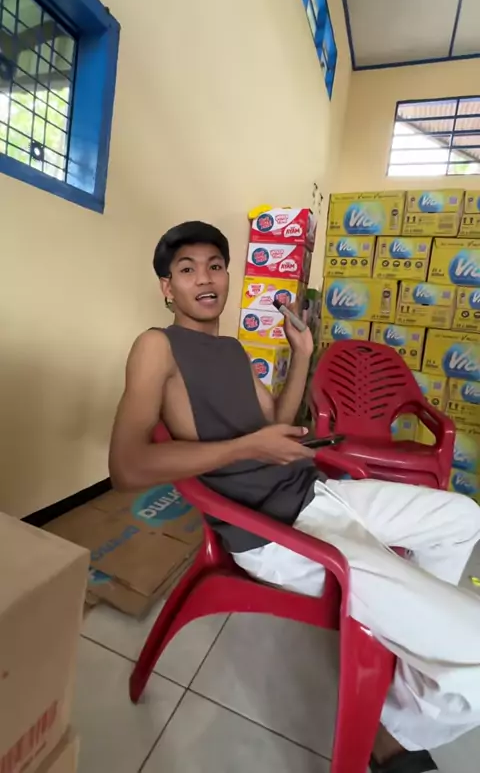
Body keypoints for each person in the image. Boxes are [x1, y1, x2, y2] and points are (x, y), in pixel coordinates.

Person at [109, 220, 480, 773]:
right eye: (187, 270)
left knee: (462, 517)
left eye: (215, 266)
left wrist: (300, 353)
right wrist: (245, 448)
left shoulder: (233, 349)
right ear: (168, 286)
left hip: (314, 494)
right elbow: (126, 466)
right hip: (270, 533)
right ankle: (396, 731)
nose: (205, 279)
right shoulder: (156, 346)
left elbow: (275, 423)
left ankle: (403, 689)